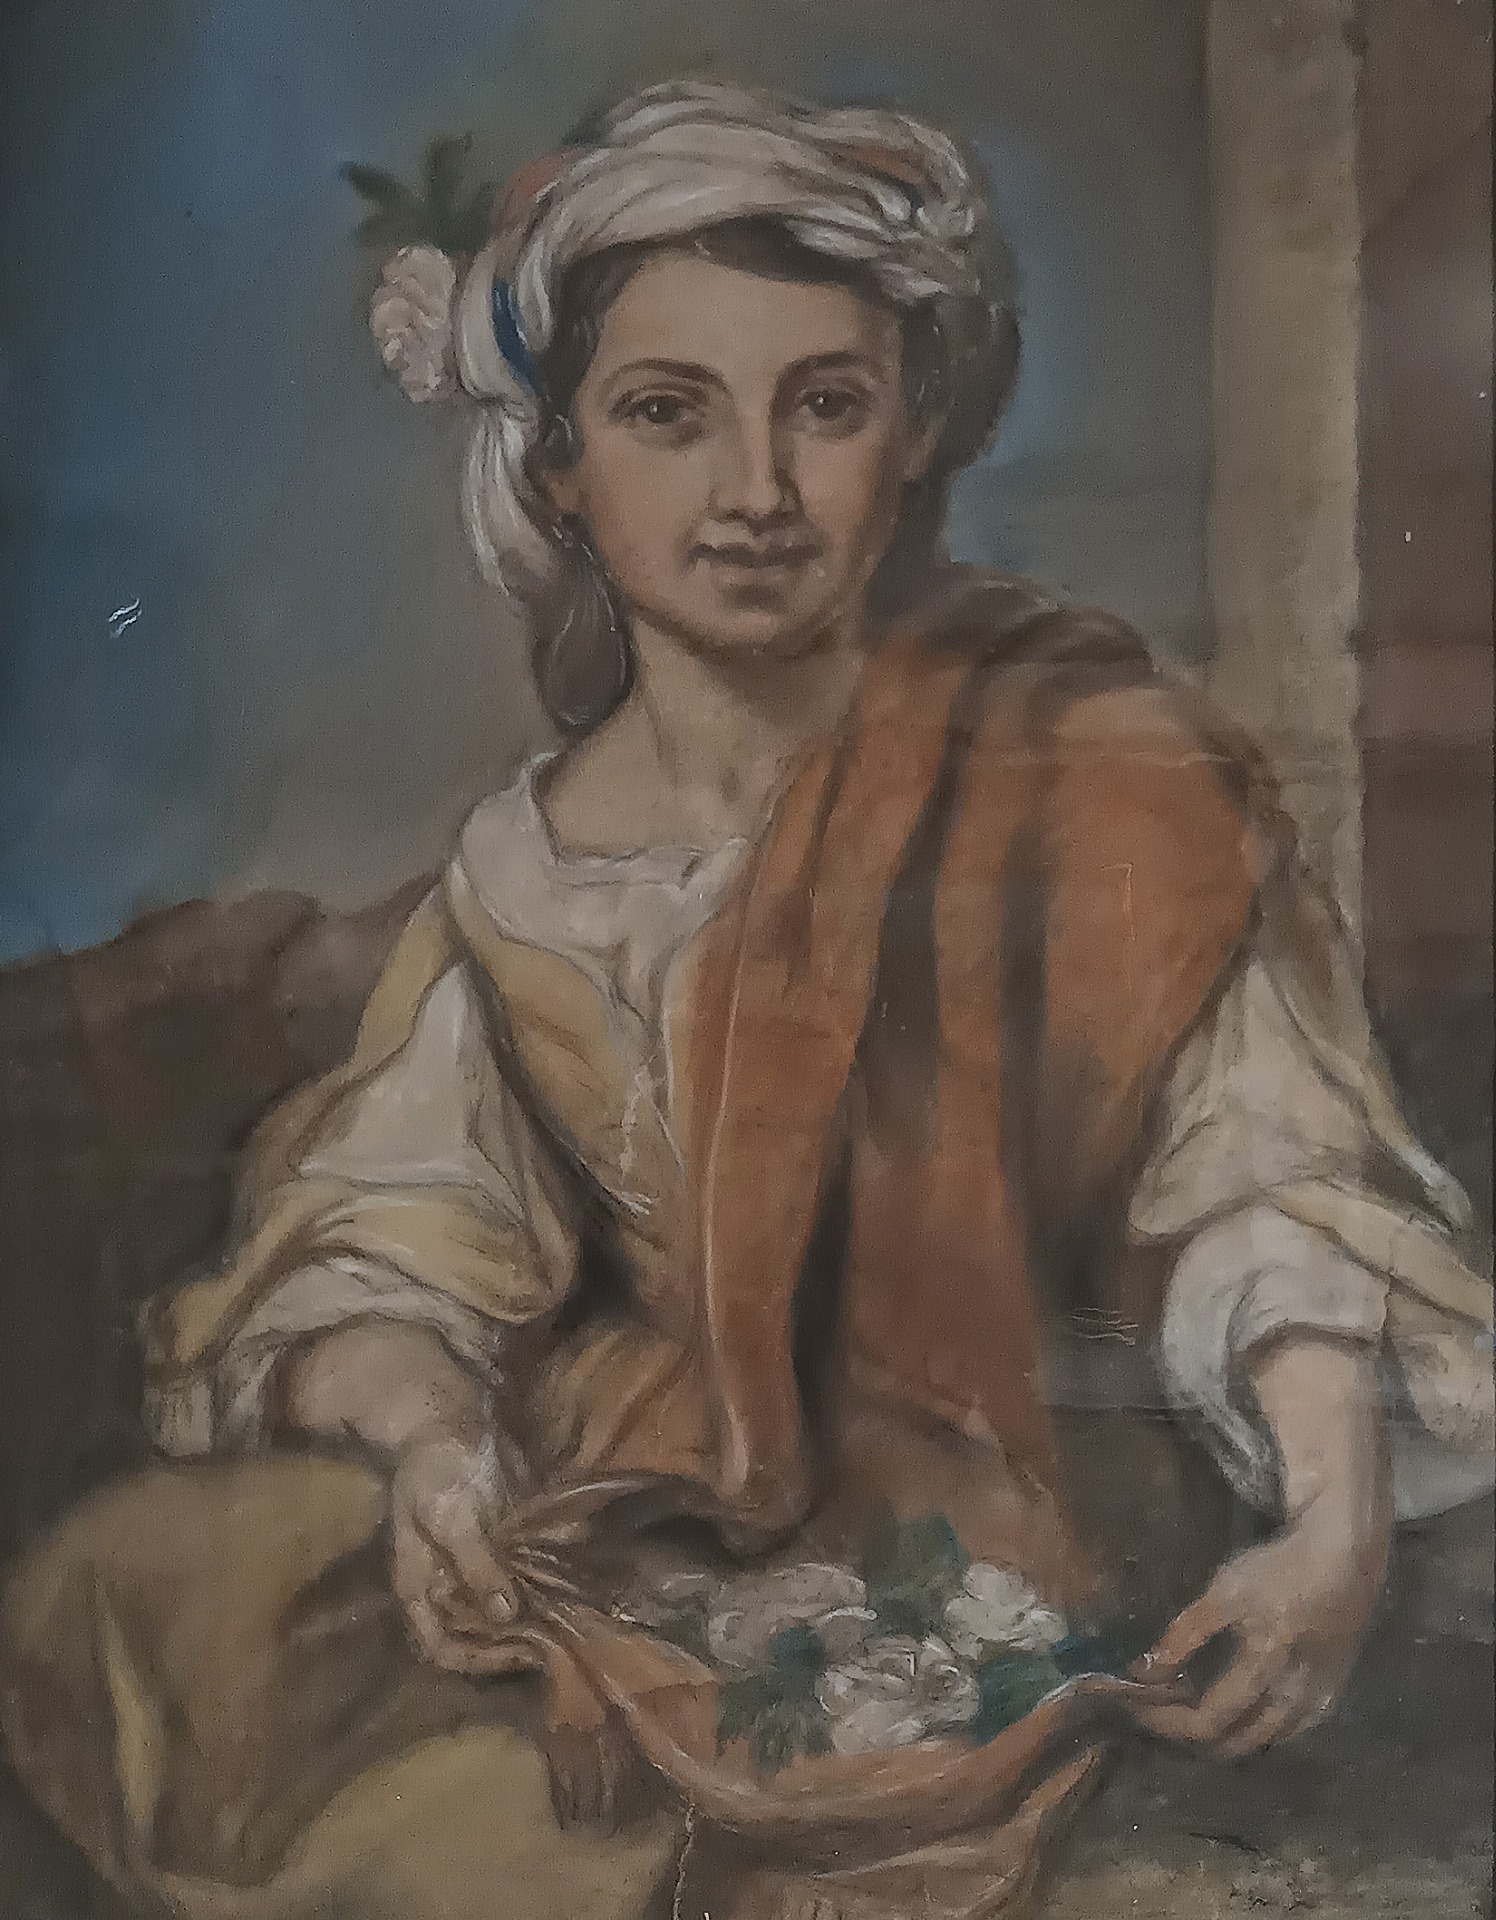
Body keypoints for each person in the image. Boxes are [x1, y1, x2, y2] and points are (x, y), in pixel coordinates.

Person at [2, 78, 1490, 1920]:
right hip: (630, 1500)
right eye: (667, 413)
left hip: (994, 1505)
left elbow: (1272, 1176)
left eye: (826, 405)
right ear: (561, 463)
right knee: (136, 1595)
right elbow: (397, 1236)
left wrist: (1335, 1515)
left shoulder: (1090, 767)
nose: (757, 492)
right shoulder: (524, 869)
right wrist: (438, 1448)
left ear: (915, 432)